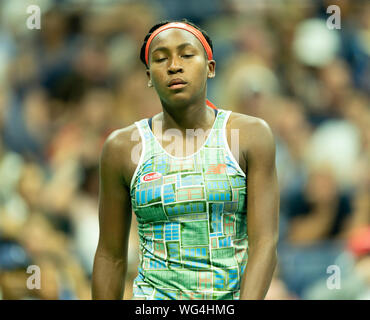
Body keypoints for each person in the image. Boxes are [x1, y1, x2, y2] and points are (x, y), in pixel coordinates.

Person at [92, 19, 279, 300]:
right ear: (148, 76)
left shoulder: (250, 135)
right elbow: (110, 255)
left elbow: (265, 242)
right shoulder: (121, 147)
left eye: (187, 55)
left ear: (210, 67)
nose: (174, 66)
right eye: (160, 58)